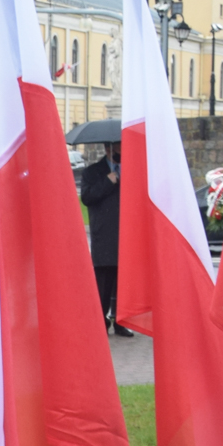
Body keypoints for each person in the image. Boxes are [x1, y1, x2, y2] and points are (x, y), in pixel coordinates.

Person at [78, 143, 131, 336]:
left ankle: (120, 321)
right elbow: (86, 197)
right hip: (105, 235)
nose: (122, 153)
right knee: (104, 283)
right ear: (109, 149)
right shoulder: (93, 172)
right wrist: (108, 182)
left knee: (123, 283)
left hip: (126, 233)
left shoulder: (131, 169)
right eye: (119, 149)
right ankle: (100, 322)